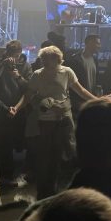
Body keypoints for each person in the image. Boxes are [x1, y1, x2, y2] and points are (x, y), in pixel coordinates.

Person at [13, 45, 98, 199]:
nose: (45, 61)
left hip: (63, 119)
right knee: (45, 156)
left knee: (64, 154)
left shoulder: (66, 72)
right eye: (43, 58)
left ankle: (59, 190)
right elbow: (28, 95)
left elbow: (81, 90)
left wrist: (97, 100)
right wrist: (16, 108)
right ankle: (45, 191)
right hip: (45, 121)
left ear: (57, 59)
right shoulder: (38, 74)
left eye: (48, 58)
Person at [0, 40, 31, 196]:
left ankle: (5, 177)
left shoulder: (25, 66)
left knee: (8, 146)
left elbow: (29, 88)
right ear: (6, 53)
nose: (13, 58)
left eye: (16, 55)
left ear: (20, 54)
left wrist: (17, 76)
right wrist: (3, 65)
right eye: (11, 55)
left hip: (15, 111)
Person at [66, 33, 102, 117]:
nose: (99, 46)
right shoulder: (75, 60)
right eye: (97, 43)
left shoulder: (95, 59)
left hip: (92, 97)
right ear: (88, 43)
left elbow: (96, 78)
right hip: (79, 100)